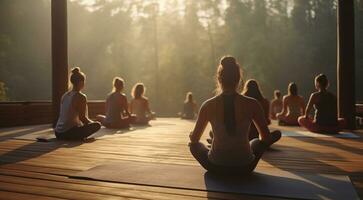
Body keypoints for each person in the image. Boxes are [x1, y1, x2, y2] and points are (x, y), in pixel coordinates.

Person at [189, 56, 281, 175]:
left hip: (216, 166)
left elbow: (195, 139)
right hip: (245, 166)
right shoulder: (253, 104)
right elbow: (266, 138)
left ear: (219, 79)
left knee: (193, 145)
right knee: (256, 142)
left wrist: (192, 135)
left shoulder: (208, 105)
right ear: (238, 79)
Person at [54, 67, 101, 140]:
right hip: (68, 133)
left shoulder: (65, 95)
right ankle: (79, 137)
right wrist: (92, 123)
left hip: (58, 133)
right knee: (97, 125)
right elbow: (83, 118)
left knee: (91, 125)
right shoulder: (81, 96)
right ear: (81, 82)